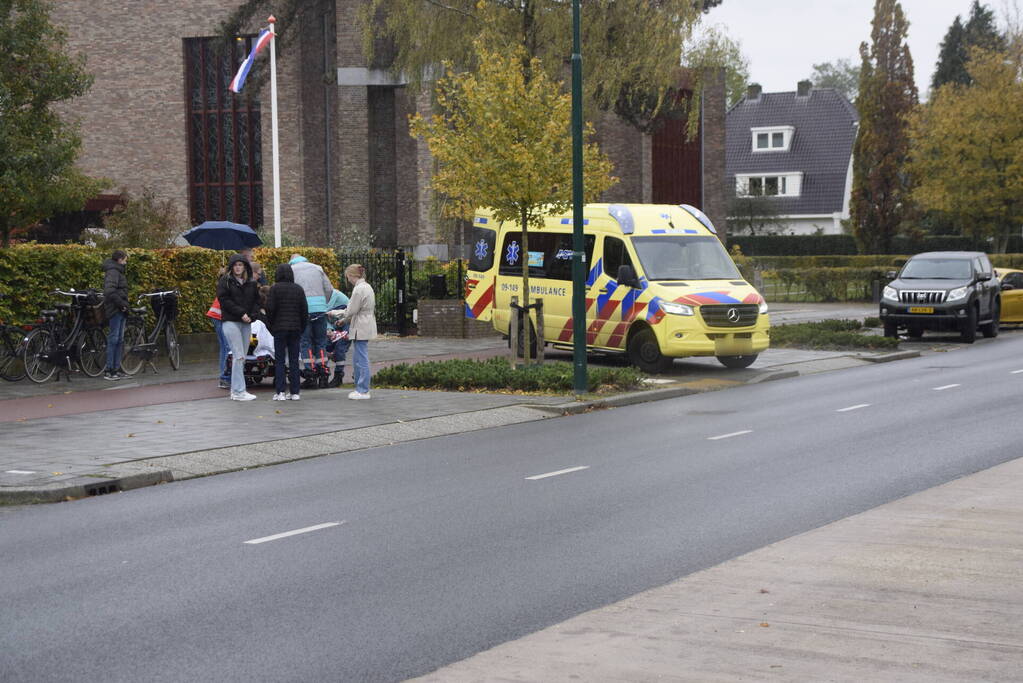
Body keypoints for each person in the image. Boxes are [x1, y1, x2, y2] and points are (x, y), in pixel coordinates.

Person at [216, 254, 260, 400]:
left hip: (246, 322)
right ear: (231, 267)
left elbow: (256, 301)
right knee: (238, 355)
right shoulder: (225, 281)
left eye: (240, 265)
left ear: (245, 267)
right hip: (231, 321)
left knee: (242, 356)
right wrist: (241, 313)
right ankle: (238, 391)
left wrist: (252, 315)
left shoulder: (251, 282)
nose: (238, 268)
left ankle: (237, 390)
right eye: (235, 265)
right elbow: (224, 301)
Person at [330, 264, 376, 399]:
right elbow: (356, 310)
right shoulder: (367, 287)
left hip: (360, 325)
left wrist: (334, 313)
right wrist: (344, 321)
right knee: (359, 356)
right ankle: (361, 388)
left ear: (351, 275)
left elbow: (350, 310)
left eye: (347, 276)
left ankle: (363, 389)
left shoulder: (358, 289)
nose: (347, 279)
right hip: (366, 323)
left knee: (361, 358)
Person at [288, 254, 333, 389]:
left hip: (303, 310)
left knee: (305, 342)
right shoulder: (317, 268)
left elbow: (290, 291)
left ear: (291, 261)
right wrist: (322, 303)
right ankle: (324, 374)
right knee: (321, 342)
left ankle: (311, 374)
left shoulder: (291, 270)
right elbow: (329, 289)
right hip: (320, 310)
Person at [264, 263, 307, 401]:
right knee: (294, 360)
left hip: (279, 328)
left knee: (280, 361)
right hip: (295, 328)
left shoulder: (274, 289)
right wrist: (301, 327)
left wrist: (272, 326)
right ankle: (295, 392)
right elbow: (304, 311)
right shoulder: (298, 289)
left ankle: (280, 392)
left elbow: (270, 309)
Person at [101, 249, 129, 381]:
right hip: (115, 309)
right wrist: (121, 304)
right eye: (125, 260)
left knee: (119, 340)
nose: (126, 262)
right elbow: (109, 291)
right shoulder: (113, 271)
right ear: (120, 259)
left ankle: (116, 369)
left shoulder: (117, 271)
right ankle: (109, 370)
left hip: (120, 308)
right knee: (114, 339)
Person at [206, 267, 231, 389]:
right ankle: (224, 378)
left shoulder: (224, 282)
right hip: (220, 316)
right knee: (227, 347)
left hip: (216, 316)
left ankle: (224, 376)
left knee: (224, 347)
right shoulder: (228, 283)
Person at [324, 288, 350, 388]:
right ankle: (324, 373)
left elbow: (325, 314)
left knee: (340, 346)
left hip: (347, 321)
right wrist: (329, 330)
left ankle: (338, 375)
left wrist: (330, 330)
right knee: (326, 346)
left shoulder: (333, 295)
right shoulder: (322, 296)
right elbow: (325, 316)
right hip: (336, 322)